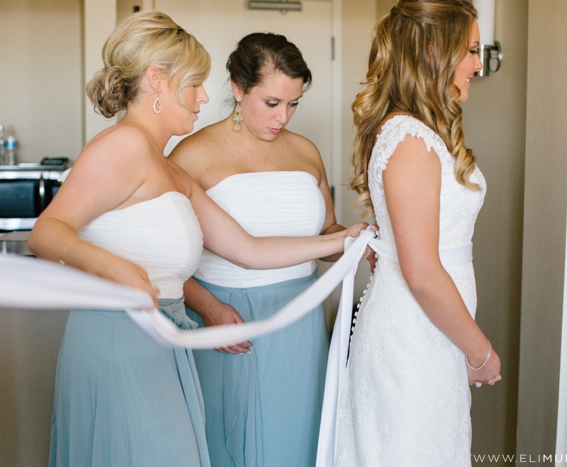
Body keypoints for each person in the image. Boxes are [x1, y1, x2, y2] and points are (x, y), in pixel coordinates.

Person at [27, 12, 365, 467]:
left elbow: (248, 250)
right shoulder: (123, 146)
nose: (205, 96)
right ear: (156, 82)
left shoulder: (166, 168)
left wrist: (351, 240)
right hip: (120, 337)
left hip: (167, 336)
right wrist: (115, 268)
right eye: (195, 84)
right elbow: (46, 232)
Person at [168, 32, 360, 467]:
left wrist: (360, 241)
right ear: (237, 89)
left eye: (293, 104)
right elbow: (167, 257)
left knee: (297, 437)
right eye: (272, 103)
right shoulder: (192, 154)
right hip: (230, 316)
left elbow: (327, 230)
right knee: (234, 438)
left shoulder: (306, 152)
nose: (283, 117)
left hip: (301, 314)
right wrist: (210, 309)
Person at [334, 1, 502, 465]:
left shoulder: (418, 130)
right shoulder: (411, 140)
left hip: (430, 329)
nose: (476, 63)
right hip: (413, 334)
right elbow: (423, 271)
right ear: (433, 50)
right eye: (469, 50)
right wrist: (480, 352)